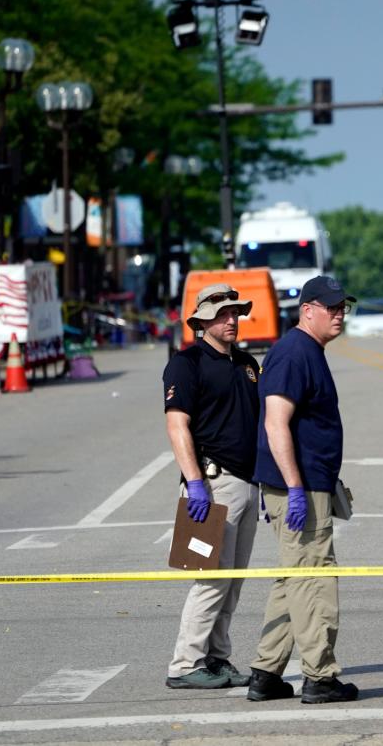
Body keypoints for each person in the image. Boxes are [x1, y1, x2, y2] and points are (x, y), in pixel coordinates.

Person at [248, 275, 358, 704]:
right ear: (306, 308)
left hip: (309, 483)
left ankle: (265, 671)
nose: (338, 314)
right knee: (314, 579)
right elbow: (276, 423)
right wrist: (295, 489)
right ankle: (321, 677)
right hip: (299, 487)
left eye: (342, 307)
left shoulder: (307, 350)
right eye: (330, 307)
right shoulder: (294, 353)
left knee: (293, 577)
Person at [162, 284, 261, 690]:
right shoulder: (186, 363)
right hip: (213, 483)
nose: (232, 319)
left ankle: (217, 658)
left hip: (247, 483)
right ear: (201, 321)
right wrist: (195, 483)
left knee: (233, 581)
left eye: (235, 312)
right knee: (210, 579)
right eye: (222, 314)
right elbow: (177, 424)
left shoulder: (247, 363)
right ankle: (185, 664)